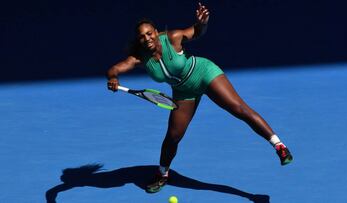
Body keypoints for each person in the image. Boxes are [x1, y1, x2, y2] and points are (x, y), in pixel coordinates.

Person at [106, 3, 293, 193]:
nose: (147, 39)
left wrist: (202, 23)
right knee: (173, 136)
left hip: (203, 73)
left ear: (156, 32)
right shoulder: (140, 59)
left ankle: (279, 146)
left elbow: (196, 31)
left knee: (239, 109)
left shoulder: (173, 38)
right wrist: (113, 78)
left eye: (149, 33)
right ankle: (162, 174)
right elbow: (114, 69)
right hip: (183, 92)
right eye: (142, 36)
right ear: (138, 40)